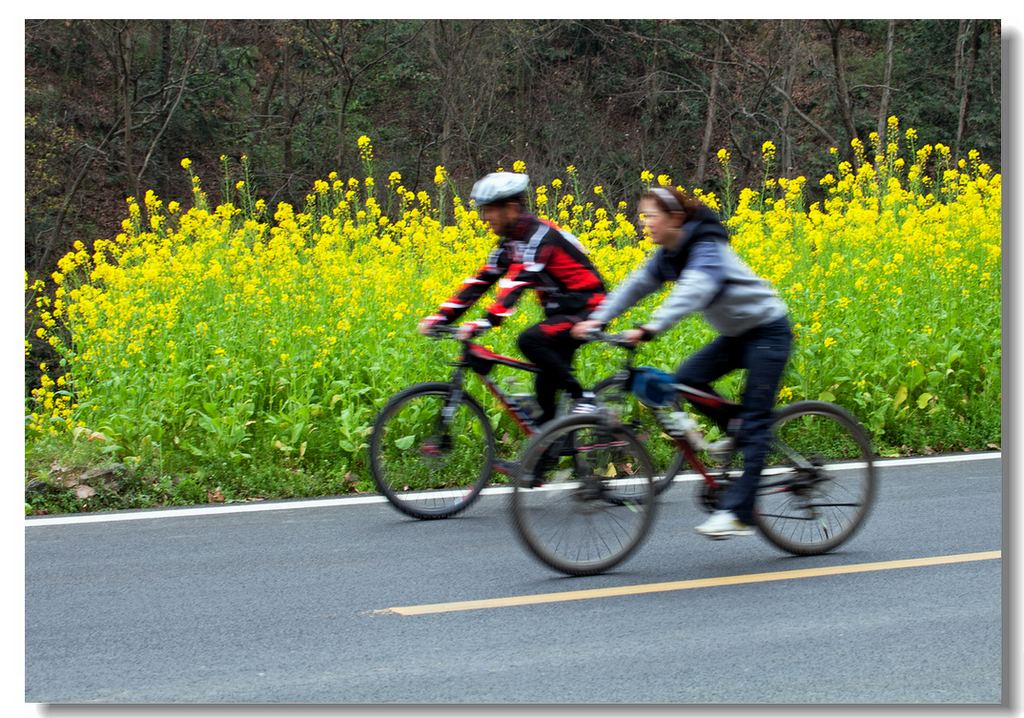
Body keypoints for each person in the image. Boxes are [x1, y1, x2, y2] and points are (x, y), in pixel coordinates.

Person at [572, 186, 793, 539]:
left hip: (768, 333)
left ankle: (739, 512)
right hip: (738, 335)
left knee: (755, 424)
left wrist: (652, 326)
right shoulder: (669, 254)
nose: (644, 223)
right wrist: (597, 320)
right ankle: (735, 425)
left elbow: (695, 289)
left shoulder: (707, 247)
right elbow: (634, 285)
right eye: (642, 216)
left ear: (676, 218)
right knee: (686, 381)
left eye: (651, 216)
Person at [419, 172, 607, 425]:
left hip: (589, 309)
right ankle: (551, 451)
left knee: (530, 340)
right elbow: (481, 281)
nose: (484, 218)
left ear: (511, 208)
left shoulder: (540, 238)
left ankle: (584, 399)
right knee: (545, 401)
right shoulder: (511, 243)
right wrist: (442, 316)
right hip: (561, 314)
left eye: (488, 210)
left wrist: (485, 322)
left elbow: (517, 281)